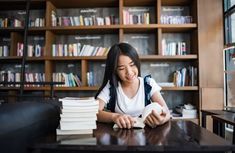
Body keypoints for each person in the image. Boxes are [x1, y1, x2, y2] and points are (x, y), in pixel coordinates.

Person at [95, 42, 170, 129]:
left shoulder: (148, 83)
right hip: (119, 136)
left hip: (146, 135)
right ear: (115, 71)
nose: (129, 72)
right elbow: (95, 112)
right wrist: (114, 117)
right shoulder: (111, 86)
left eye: (132, 65)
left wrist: (162, 120)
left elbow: (166, 111)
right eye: (122, 68)